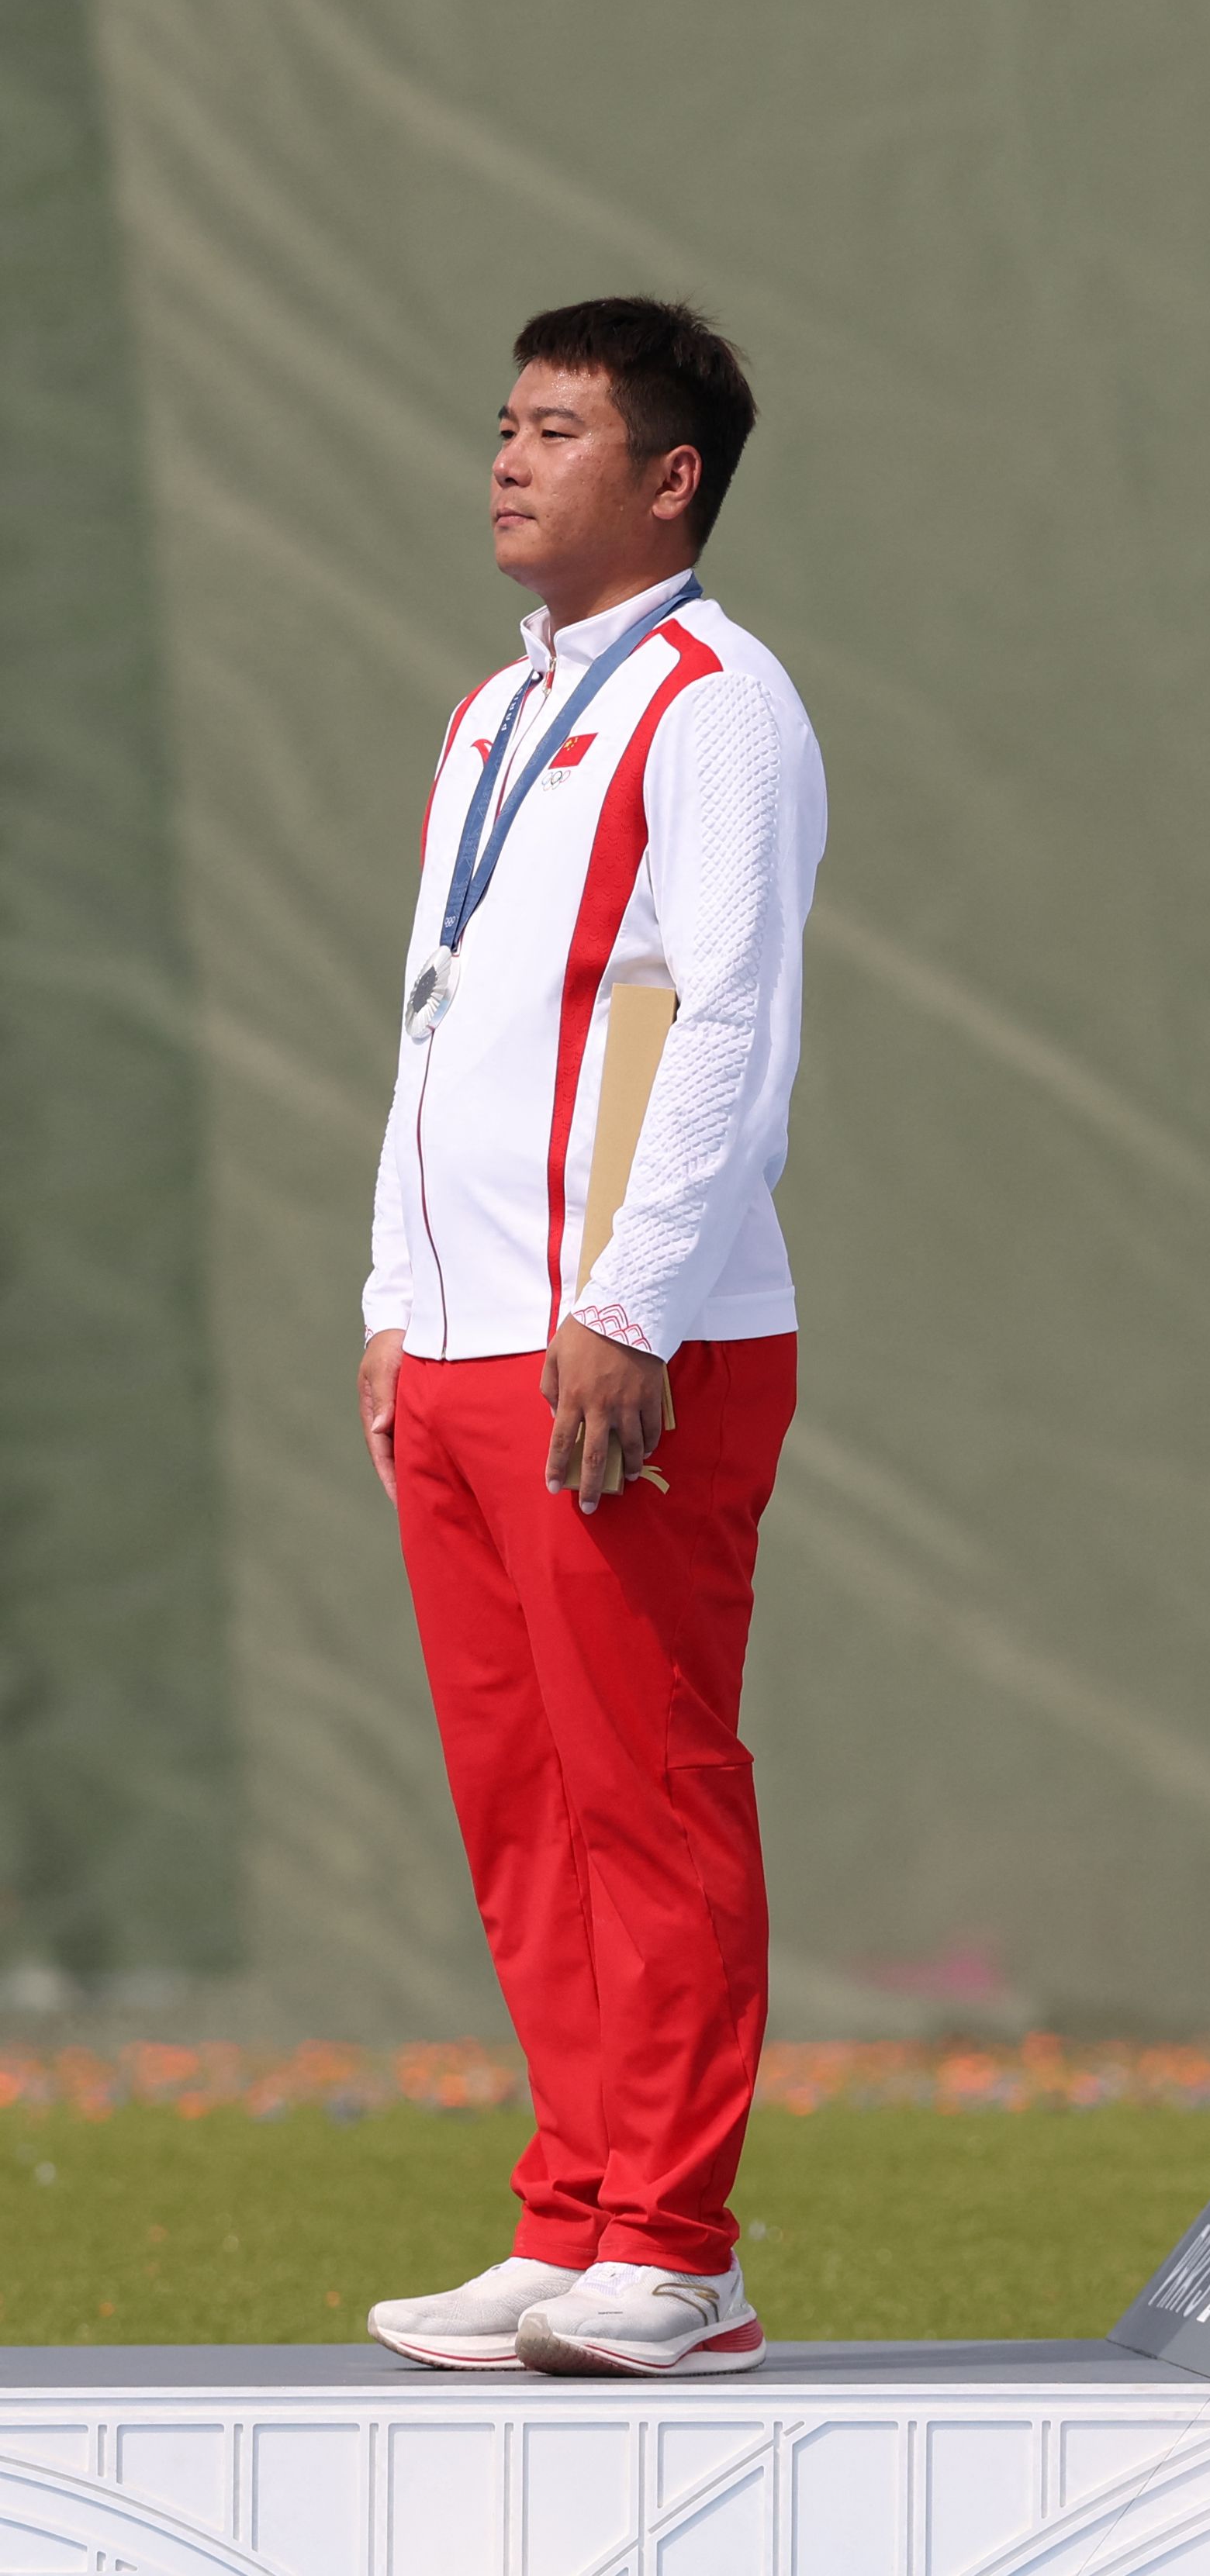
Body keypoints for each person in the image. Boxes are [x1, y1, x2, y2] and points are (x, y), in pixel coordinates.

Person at [353, 299, 825, 2377]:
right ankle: (572, 2212)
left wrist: (625, 1303)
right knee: (522, 1807)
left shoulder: (717, 705)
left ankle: (679, 2248)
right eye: (505, 423)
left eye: (559, 429)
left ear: (670, 478)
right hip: (463, 1341)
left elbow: (726, 1023)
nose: (508, 458)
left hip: (626, 1340)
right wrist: (393, 1303)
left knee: (646, 1787)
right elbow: (436, 1026)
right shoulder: (495, 712)